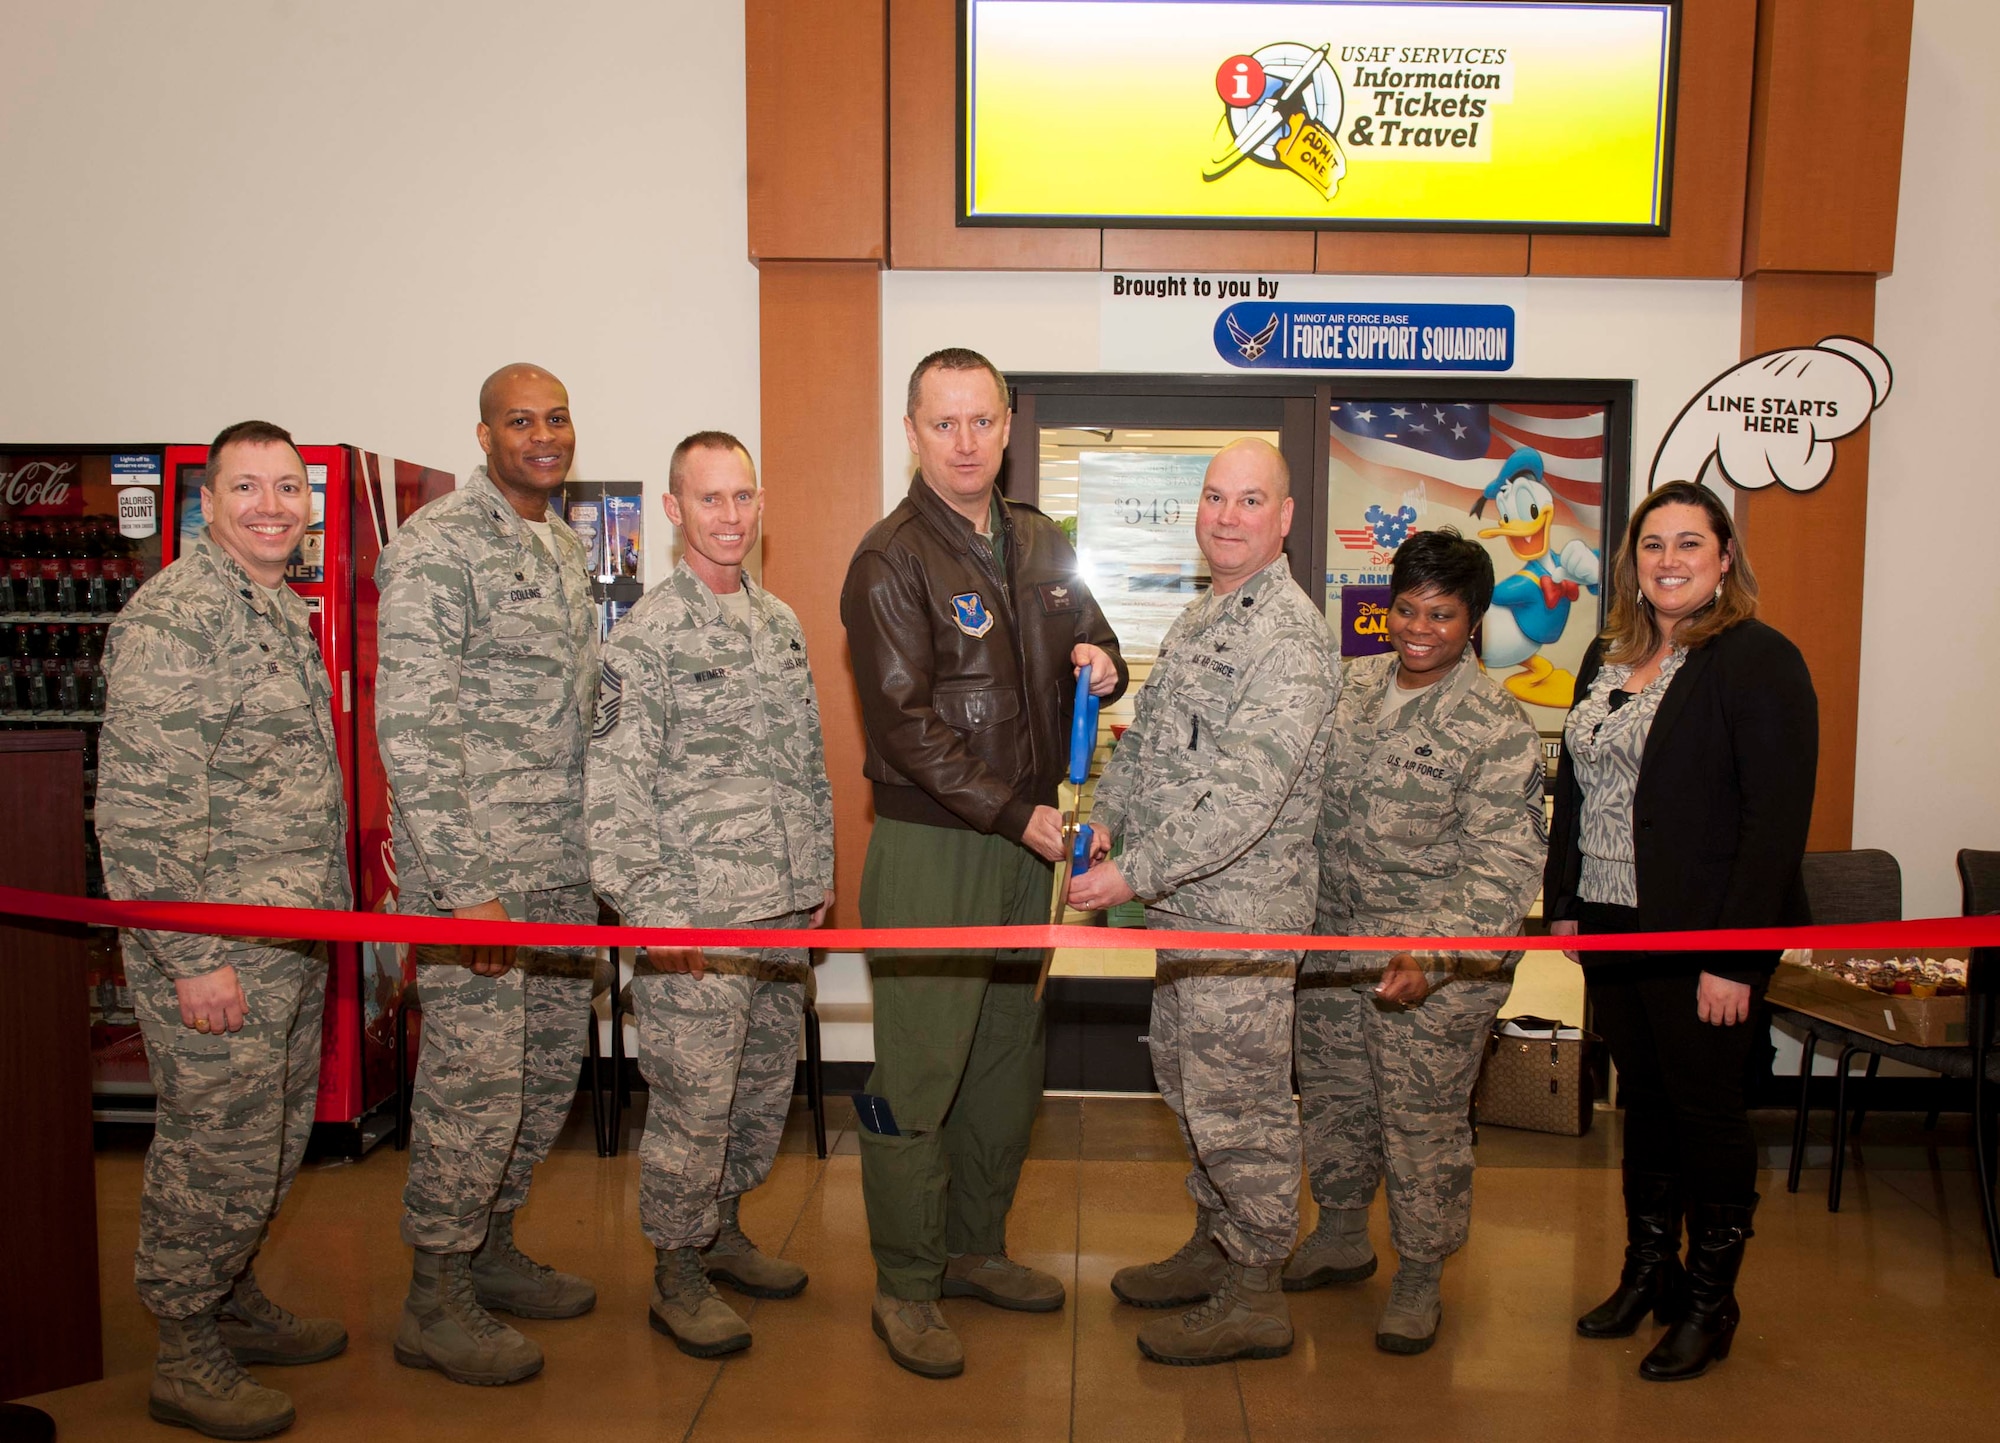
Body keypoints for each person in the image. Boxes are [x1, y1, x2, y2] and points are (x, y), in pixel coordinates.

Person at [840, 347, 1126, 1378]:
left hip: (1021, 848)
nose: (964, 443)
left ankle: (973, 1249)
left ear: (1007, 426)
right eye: (942, 424)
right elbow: (907, 727)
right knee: (917, 1071)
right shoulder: (889, 560)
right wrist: (1019, 815)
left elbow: (1092, 640)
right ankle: (906, 1285)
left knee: (1006, 1059)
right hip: (937, 846)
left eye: (980, 422)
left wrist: (1104, 658)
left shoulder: (1042, 542)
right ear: (911, 433)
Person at [98, 420, 351, 1439]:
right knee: (214, 1150)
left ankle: (231, 1297)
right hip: (215, 953)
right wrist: (194, 960)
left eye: (288, 489)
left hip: (283, 941)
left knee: (271, 1140)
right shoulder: (180, 617)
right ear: (208, 504)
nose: (272, 507)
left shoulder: (273, 608)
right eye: (247, 489)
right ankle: (184, 1348)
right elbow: (140, 811)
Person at [1071, 438, 1339, 1367]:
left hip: (1243, 916)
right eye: (1216, 497)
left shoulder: (1292, 637)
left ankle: (1257, 1286)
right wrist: (1106, 820)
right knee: (1188, 1085)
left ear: (1286, 517)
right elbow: (1149, 745)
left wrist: (1131, 874)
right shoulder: (1202, 617)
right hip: (1186, 914)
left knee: (1243, 1104)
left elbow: (1244, 798)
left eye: (1250, 500)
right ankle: (1215, 1242)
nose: (1228, 516)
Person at [1547, 479, 1817, 1382]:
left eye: (1689, 544)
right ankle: (1646, 1272)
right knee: (1648, 1104)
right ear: (1632, 560)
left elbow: (1773, 827)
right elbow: (1576, 789)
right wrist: (1566, 903)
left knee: (1707, 1113)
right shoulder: (1604, 653)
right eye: (1653, 544)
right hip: (1614, 925)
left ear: (1724, 557)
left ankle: (1711, 1301)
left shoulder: (1757, 660)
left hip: (1703, 938)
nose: (1668, 560)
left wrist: (1734, 958)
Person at [376, 363, 601, 1386]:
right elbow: (411, 729)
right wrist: (467, 886)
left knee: (540, 1081)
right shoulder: (437, 548)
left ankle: (494, 1248)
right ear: (483, 436)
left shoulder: (558, 544)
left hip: (555, 874)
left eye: (555, 418)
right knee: (470, 1092)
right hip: (476, 882)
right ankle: (437, 1294)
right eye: (521, 421)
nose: (543, 436)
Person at [586, 432, 834, 1357]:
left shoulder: (781, 623)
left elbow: (807, 765)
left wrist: (816, 878)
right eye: (710, 499)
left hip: (777, 914)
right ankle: (675, 1270)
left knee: (759, 1091)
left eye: (743, 497)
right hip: (692, 919)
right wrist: (657, 919)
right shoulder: (645, 639)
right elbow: (613, 798)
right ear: (674, 508)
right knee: (693, 1103)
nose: (730, 516)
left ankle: (723, 1231)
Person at [1288, 528, 1546, 1355]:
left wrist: (1433, 959)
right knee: (1334, 1096)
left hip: (1436, 968)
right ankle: (1339, 1231)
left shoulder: (1497, 724)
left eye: (1441, 613)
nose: (1419, 627)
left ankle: (1422, 1269)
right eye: (1405, 607)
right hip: (1334, 952)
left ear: (1472, 621)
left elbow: (1504, 865)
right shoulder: (1348, 687)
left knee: (1421, 1120)